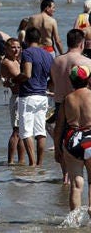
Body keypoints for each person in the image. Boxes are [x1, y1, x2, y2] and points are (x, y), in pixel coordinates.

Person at [51, 29, 91, 183]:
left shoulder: (56, 60)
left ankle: (65, 176)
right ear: (81, 43)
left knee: (63, 139)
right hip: (81, 103)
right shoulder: (87, 62)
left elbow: (54, 83)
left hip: (61, 102)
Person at [12, 27, 53, 166]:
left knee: (26, 132)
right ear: (40, 40)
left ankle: (32, 163)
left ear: (26, 40)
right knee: (41, 132)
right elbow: (52, 79)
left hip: (28, 96)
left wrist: (14, 79)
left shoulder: (27, 52)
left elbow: (27, 74)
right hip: (42, 96)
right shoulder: (48, 55)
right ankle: (40, 164)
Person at [54, 65, 91, 217]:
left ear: (71, 80)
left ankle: (74, 220)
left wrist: (57, 148)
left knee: (76, 183)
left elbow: (59, 127)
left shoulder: (67, 99)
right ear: (88, 79)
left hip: (72, 140)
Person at [0, 38, 26, 165]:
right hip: (16, 98)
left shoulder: (16, 60)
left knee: (22, 132)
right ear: (7, 49)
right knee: (16, 131)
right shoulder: (7, 62)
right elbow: (20, 78)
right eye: (13, 47)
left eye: (18, 47)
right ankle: (10, 161)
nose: (16, 50)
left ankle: (21, 161)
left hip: (22, 97)